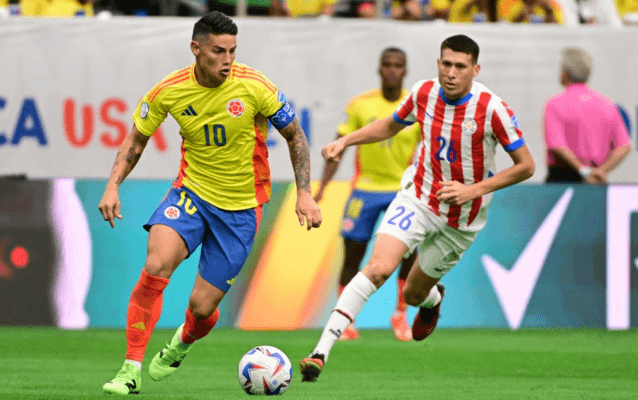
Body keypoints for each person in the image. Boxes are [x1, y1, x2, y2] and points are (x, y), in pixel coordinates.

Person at [99, 11, 322, 395]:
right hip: (190, 194)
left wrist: (303, 192)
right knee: (155, 265)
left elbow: (296, 136)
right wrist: (112, 186)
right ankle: (130, 369)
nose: (228, 60)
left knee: (202, 308)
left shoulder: (255, 86)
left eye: (233, 51)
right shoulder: (168, 90)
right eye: (219, 51)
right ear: (196, 49)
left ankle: (181, 344)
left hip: (240, 208)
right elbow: (135, 142)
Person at [299, 34, 535, 382]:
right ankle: (320, 352)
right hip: (419, 197)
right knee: (378, 268)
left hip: (461, 221)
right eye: (446, 64)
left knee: (413, 293)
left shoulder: (492, 109)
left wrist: (474, 190)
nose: (451, 73)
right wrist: (345, 141)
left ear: (475, 69)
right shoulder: (424, 93)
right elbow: (391, 125)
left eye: (460, 66)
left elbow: (526, 165)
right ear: (438, 63)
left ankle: (432, 300)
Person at [313, 47, 422, 342]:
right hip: (364, 190)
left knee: (409, 253)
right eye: (386, 64)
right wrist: (322, 188)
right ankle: (344, 322)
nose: (392, 70)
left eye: (398, 65)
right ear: (379, 68)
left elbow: (433, 149)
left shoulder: (416, 106)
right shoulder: (360, 105)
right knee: (353, 256)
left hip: (403, 191)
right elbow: (338, 148)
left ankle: (400, 315)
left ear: (405, 70)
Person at [543, 47, 630, 184]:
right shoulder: (607, 103)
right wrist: (601, 171)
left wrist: (584, 171)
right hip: (597, 180)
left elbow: (556, 145)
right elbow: (624, 146)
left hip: (562, 180)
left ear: (565, 73)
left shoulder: (555, 103)